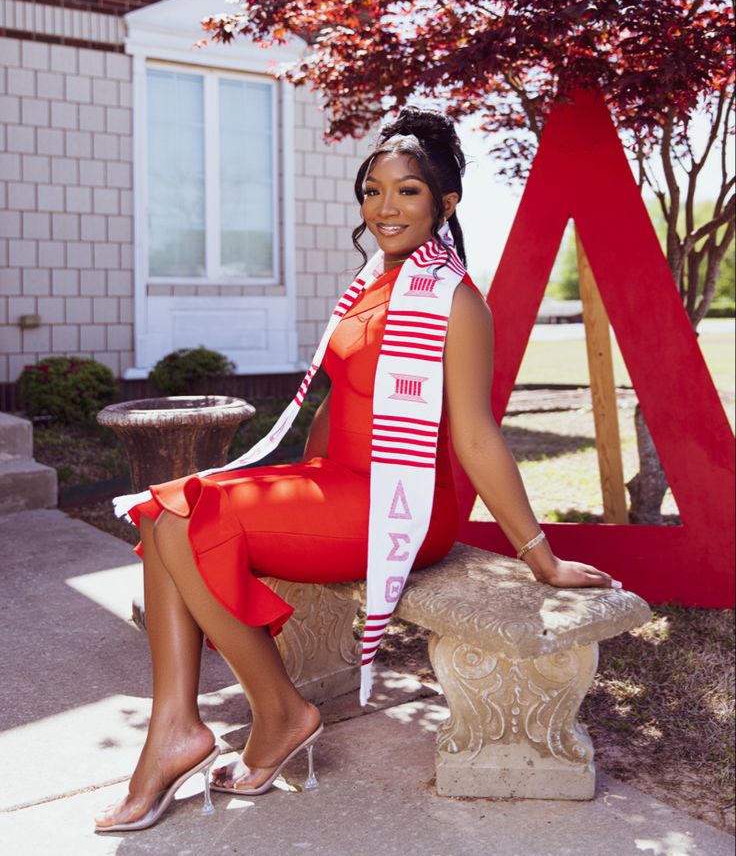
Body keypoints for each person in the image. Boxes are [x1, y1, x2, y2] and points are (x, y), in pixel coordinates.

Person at [95, 106, 617, 833]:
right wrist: (287, 489)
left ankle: (274, 714)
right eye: (373, 191)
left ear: (446, 204)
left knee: (184, 517)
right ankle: (180, 727)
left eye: (407, 191)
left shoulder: (455, 302)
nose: (385, 207)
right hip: (338, 486)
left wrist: (543, 559)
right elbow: (340, 399)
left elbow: (475, 435)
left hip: (402, 504)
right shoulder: (371, 284)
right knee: (162, 513)